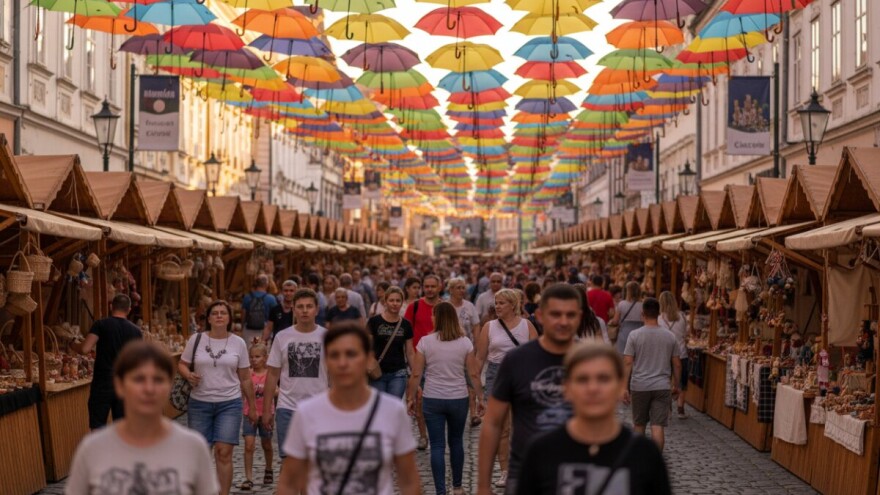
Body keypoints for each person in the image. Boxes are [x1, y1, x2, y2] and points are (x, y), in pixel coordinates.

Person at [276, 325, 421, 495]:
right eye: (334, 355)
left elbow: (409, 482)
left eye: (351, 354)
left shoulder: (392, 411)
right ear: (326, 361)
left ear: (369, 359)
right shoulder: (307, 413)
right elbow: (289, 483)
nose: (343, 363)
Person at [515, 342, 671, 495]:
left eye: (603, 379)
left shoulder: (645, 453)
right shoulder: (541, 451)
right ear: (567, 388)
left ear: (620, 386)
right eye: (582, 379)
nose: (593, 388)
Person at [66, 342, 219, 494]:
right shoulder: (93, 449)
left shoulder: (193, 447)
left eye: (158, 379)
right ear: (119, 385)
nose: (149, 389)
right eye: (138, 379)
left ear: (170, 385)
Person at [477, 284, 582, 495]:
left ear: (579, 316)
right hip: (525, 473)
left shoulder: (586, 359)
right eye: (555, 314)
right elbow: (493, 425)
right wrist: (482, 485)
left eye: (570, 314)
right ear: (541, 316)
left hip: (570, 469)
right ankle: (505, 469)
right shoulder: (516, 359)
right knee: (507, 429)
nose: (562, 321)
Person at [178, 300, 257, 495]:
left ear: (230, 318)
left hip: (229, 404)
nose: (219, 316)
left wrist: (253, 407)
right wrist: (188, 375)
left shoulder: (238, 343)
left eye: (223, 313)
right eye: (215, 313)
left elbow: (245, 377)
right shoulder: (196, 339)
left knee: (224, 452)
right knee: (202, 454)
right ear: (209, 318)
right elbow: (181, 364)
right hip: (199, 404)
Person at [408, 302, 483, 495]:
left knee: (437, 445)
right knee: (456, 441)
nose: (431, 318)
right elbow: (473, 374)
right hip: (458, 397)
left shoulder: (425, 342)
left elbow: (416, 374)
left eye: (433, 315)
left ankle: (440, 491)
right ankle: (457, 487)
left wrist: (410, 397)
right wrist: (480, 398)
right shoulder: (465, 342)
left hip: (433, 397)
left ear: (438, 318)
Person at [474, 288, 538, 488]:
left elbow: (537, 354)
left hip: (522, 375)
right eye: (496, 302)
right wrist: (476, 388)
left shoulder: (527, 325)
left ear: (512, 305)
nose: (497, 306)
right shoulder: (489, 327)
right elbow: (480, 357)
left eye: (501, 303)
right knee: (502, 428)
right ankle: (505, 471)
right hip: (496, 375)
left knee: (522, 425)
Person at [262, 289, 329, 458]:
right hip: (288, 407)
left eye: (309, 306)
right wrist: (267, 409)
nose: (305, 310)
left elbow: (336, 375)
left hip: (319, 407)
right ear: (293, 309)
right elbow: (272, 375)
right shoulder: (282, 337)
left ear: (317, 310)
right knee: (290, 461)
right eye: (300, 307)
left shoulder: (327, 337)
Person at [71, 294, 142, 430]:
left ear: (111, 307)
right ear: (129, 309)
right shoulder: (136, 332)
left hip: (102, 382)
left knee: (98, 426)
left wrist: (72, 344)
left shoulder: (101, 325)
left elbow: (85, 349)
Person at [623, 297, 682, 452]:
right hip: (662, 386)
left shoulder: (634, 335)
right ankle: (656, 462)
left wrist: (624, 387)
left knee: (639, 425)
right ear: (658, 314)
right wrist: (677, 385)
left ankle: (640, 460)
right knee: (658, 426)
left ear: (642, 314)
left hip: (639, 385)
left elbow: (628, 362)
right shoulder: (670, 336)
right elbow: (677, 363)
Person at [403, 274, 442, 449]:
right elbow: (406, 333)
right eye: (426, 286)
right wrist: (409, 355)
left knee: (438, 398)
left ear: (439, 287)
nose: (429, 289)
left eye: (433, 286)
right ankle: (423, 436)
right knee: (419, 399)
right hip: (419, 358)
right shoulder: (414, 306)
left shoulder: (444, 307)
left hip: (440, 358)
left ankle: (436, 434)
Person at [368, 286, 415, 399]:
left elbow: (410, 352)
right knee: (380, 407)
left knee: (393, 406)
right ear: (385, 301)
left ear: (402, 303)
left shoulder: (406, 324)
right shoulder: (374, 321)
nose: (395, 303)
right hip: (377, 372)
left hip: (398, 372)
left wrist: (414, 373)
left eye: (398, 300)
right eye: (391, 300)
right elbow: (367, 347)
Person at [240, 343, 274, 491]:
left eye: (257, 357)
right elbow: (242, 392)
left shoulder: (270, 374)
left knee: (266, 444)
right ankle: (248, 477)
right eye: (251, 357)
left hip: (267, 413)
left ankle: (268, 468)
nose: (254, 360)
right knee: (249, 445)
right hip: (249, 413)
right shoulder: (248, 374)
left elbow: (277, 391)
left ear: (265, 358)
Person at [659, 290, 689, 419]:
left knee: (665, 380)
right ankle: (681, 409)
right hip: (681, 352)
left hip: (664, 354)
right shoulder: (682, 316)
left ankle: (668, 409)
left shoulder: (659, 318)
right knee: (681, 381)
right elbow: (686, 333)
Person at [242, 275, 278, 348]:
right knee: (260, 350)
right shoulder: (271, 298)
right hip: (264, 329)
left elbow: (243, 314)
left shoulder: (247, 297)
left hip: (249, 328)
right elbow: (275, 316)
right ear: (267, 284)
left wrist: (242, 326)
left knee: (250, 349)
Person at [610, 282, 643, 354]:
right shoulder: (643, 305)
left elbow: (615, 321)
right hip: (639, 334)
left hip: (624, 333)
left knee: (623, 357)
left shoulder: (622, 304)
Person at [264, 280, 297, 345]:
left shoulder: (298, 310)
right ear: (282, 292)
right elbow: (268, 328)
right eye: (286, 291)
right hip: (277, 344)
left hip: (293, 344)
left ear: (296, 292)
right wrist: (263, 342)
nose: (288, 293)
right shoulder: (275, 309)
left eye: (291, 291)